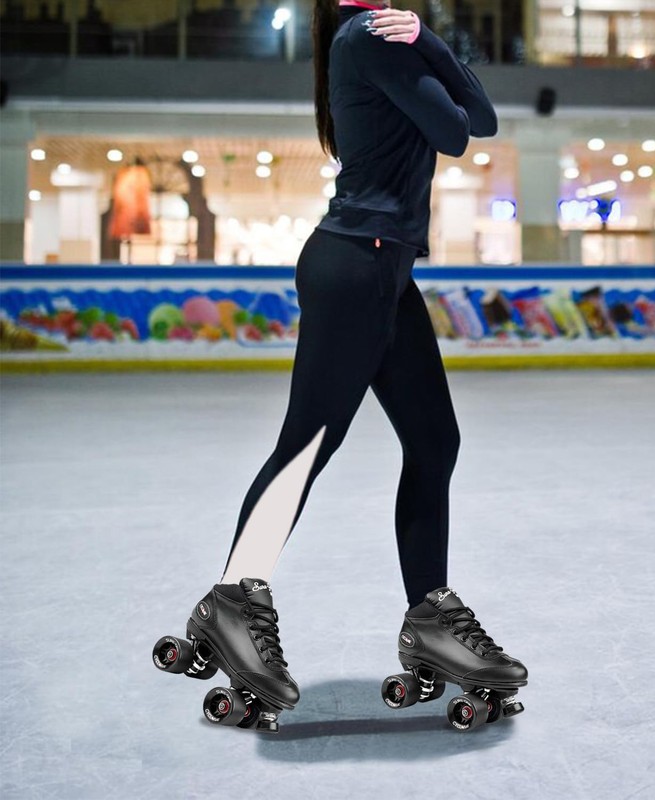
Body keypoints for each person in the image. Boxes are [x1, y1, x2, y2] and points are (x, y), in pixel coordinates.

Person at [152, 0, 528, 733]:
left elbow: (481, 119)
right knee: (309, 446)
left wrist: (435, 44)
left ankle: (433, 616)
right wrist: (433, 53)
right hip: (356, 263)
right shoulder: (364, 36)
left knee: (434, 443)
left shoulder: (398, 37)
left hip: (384, 270)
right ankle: (233, 598)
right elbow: (454, 131)